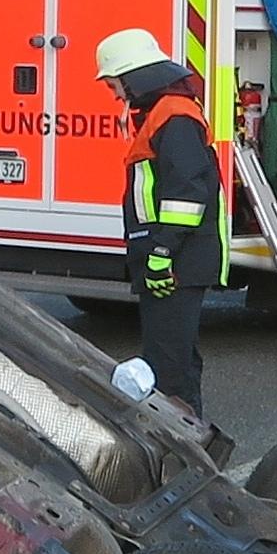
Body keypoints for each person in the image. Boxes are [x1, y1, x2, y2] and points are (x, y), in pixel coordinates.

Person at [97, 26, 225, 414]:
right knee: (176, 359)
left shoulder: (173, 116)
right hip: (176, 257)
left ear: (133, 77)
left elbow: (187, 192)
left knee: (168, 366)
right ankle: (191, 442)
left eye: (115, 84)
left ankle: (181, 451)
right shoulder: (167, 113)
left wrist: (162, 251)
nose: (116, 95)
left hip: (176, 261)